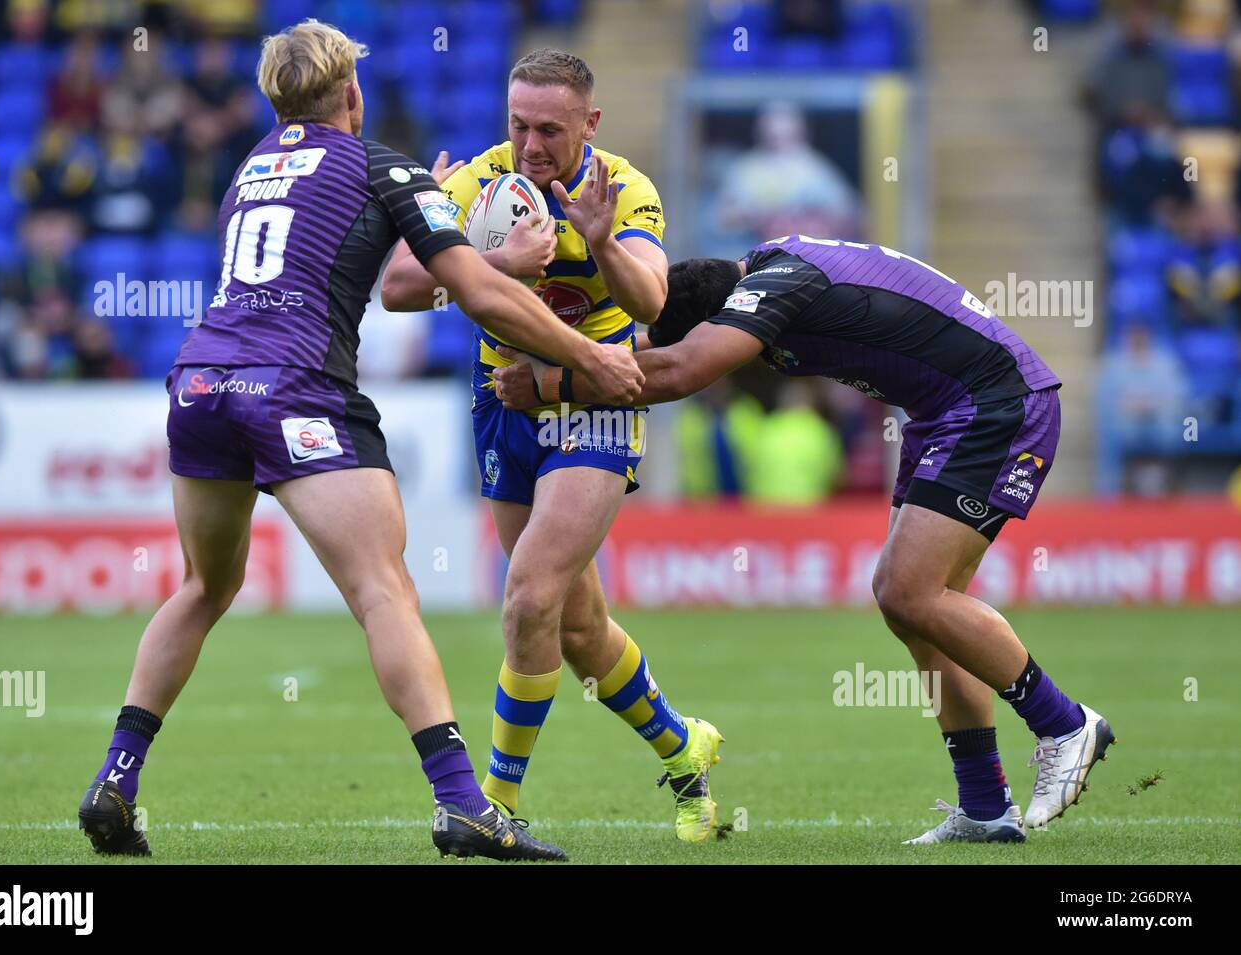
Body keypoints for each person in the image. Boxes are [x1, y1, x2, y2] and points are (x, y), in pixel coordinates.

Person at [76, 19, 642, 864]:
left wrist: (445, 217)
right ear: (352, 93)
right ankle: (465, 805)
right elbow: (474, 297)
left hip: (199, 382)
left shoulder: (250, 169)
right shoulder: (382, 163)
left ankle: (116, 777)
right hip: (293, 388)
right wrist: (590, 354)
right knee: (383, 591)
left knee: (201, 586)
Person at [494, 235, 1118, 843]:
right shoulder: (757, 282)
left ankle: (1063, 724)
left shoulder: (774, 288)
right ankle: (985, 806)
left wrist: (553, 387)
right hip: (945, 412)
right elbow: (648, 353)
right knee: (921, 613)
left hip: (994, 404)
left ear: (716, 320)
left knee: (907, 592)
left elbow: (676, 369)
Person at [381, 49, 725, 842]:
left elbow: (652, 298)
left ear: (589, 125)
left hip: (594, 396)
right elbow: (399, 286)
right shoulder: (480, 181)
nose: (531, 146)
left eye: (549, 129)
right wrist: (496, 263)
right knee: (573, 625)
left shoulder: (625, 188)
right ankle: (684, 749)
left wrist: (600, 241)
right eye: (518, 125)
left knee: (530, 595)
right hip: (503, 400)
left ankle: (492, 805)